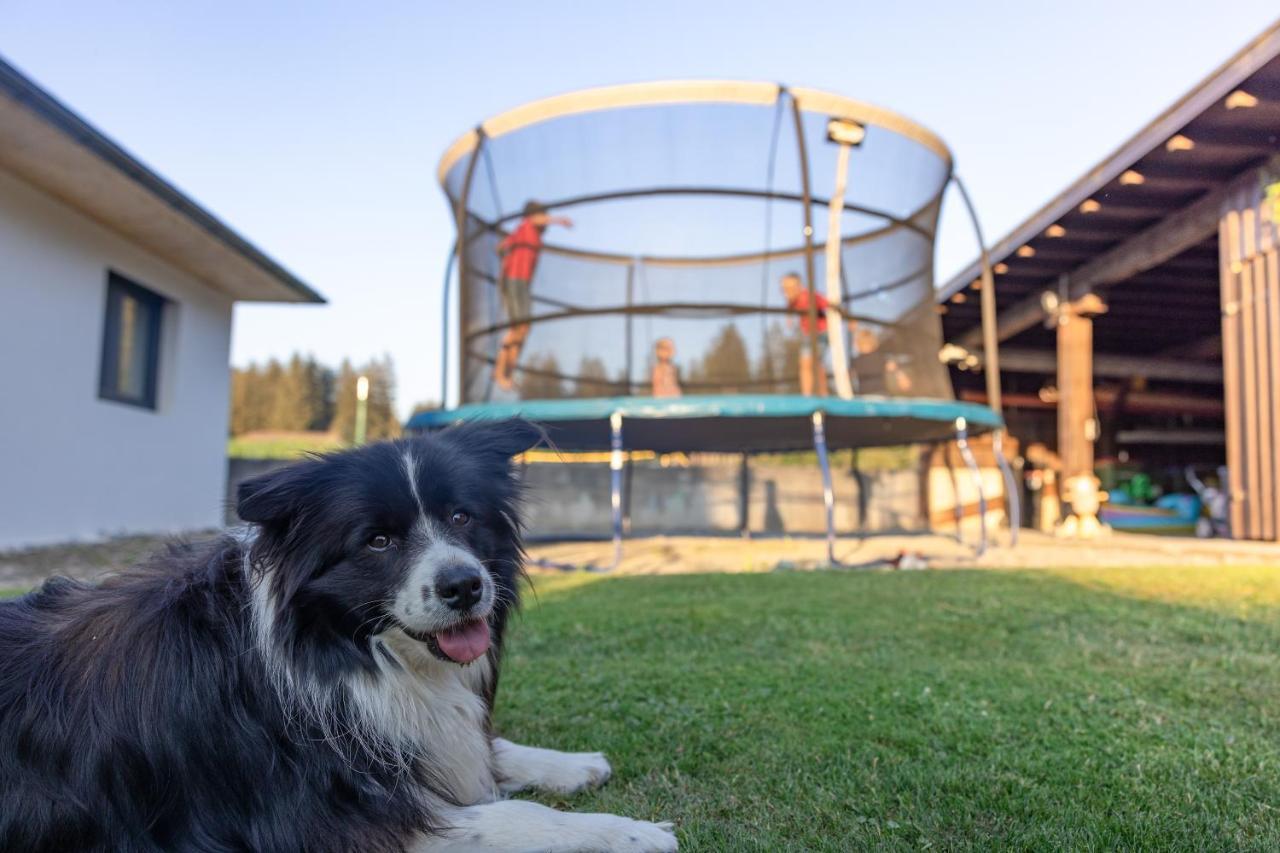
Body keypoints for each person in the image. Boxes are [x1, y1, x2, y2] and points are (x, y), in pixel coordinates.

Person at [494, 201, 573, 390]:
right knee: (516, 328)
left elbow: (501, 247)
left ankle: (508, 372)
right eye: (542, 217)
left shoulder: (534, 237)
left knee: (524, 329)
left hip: (523, 283)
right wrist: (559, 220)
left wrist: (506, 250)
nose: (544, 222)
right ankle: (499, 372)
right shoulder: (526, 226)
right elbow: (501, 247)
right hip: (513, 279)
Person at [780, 272, 830, 396]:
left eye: (789, 288)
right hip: (810, 334)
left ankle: (807, 395)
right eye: (784, 289)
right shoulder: (794, 300)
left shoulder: (809, 296)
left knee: (805, 362)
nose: (786, 292)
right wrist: (789, 316)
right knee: (817, 364)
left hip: (820, 333)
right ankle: (823, 394)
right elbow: (790, 306)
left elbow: (829, 304)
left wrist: (850, 319)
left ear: (799, 287)